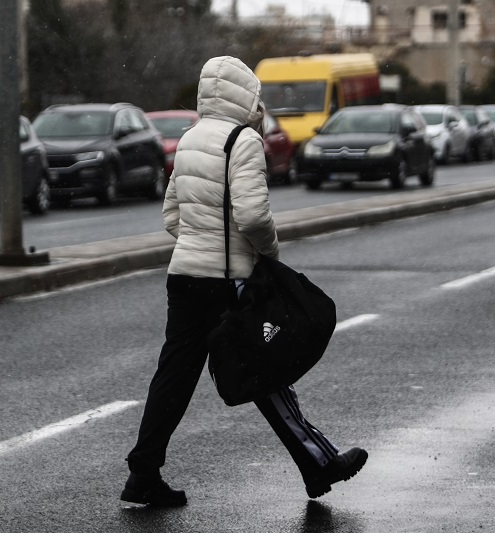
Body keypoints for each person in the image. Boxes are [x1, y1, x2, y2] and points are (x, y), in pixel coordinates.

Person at [121, 56, 367, 507]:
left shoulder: (190, 139)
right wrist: (267, 254)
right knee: (264, 367)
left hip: (184, 277)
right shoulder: (243, 140)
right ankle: (318, 461)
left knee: (173, 377)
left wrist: (200, 240)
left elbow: (171, 216)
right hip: (227, 279)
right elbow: (253, 216)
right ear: (245, 94)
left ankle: (143, 474)